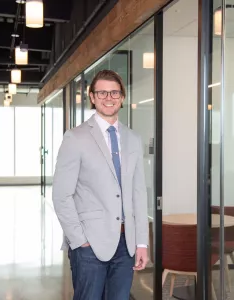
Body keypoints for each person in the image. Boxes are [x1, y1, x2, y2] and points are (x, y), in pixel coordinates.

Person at [52, 69, 149, 299]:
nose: (109, 97)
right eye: (102, 92)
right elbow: (61, 195)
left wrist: (142, 242)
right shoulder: (75, 138)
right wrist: (79, 241)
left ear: (122, 98)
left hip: (126, 244)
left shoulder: (133, 139)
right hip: (89, 245)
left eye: (114, 92)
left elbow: (138, 194)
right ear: (92, 97)